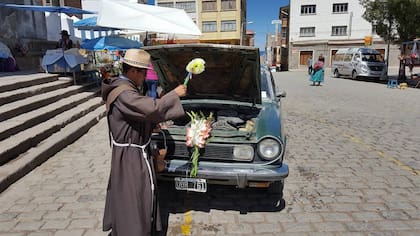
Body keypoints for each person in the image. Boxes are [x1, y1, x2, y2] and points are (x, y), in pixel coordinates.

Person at [101, 49, 187, 236]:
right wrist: (174, 95)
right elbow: (150, 108)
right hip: (130, 155)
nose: (144, 77)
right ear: (133, 71)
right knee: (134, 195)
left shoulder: (125, 88)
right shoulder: (125, 93)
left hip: (132, 151)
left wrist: (150, 127)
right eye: (143, 73)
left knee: (133, 193)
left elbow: (136, 116)